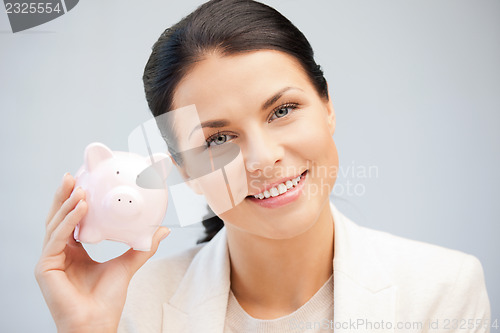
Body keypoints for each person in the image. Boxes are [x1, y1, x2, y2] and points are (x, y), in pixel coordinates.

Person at [35, 0, 491, 332]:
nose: (264, 158)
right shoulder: (132, 310)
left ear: (327, 105)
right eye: (218, 139)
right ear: (185, 171)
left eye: (282, 110)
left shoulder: (442, 291)